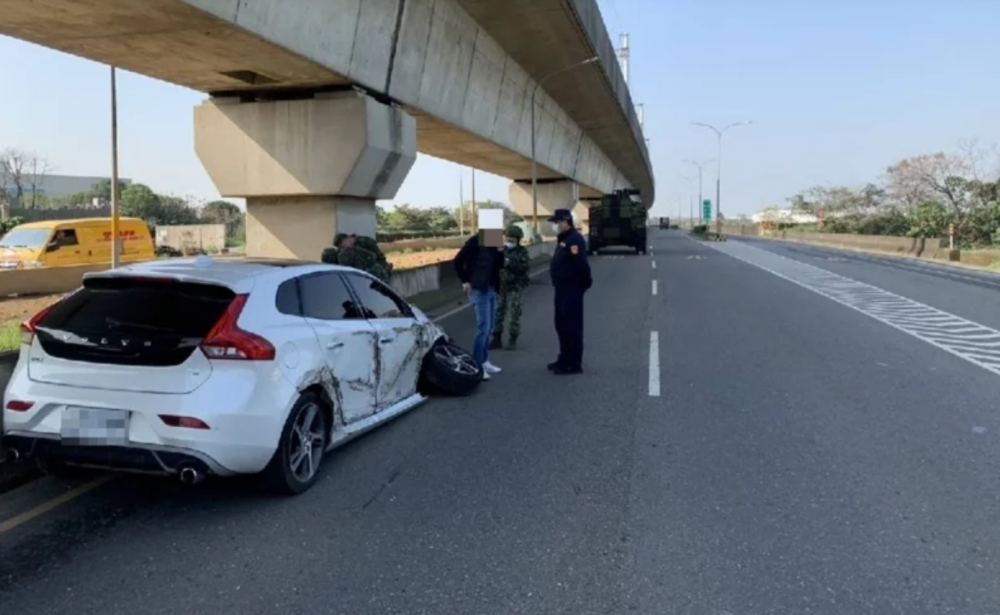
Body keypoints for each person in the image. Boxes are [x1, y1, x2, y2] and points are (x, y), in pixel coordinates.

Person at [453, 231, 504, 380]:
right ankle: (477, 364)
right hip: (478, 289)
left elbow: (500, 266)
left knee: (490, 327)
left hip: (491, 289)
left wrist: (500, 251)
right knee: (483, 328)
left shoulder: (493, 243)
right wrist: (465, 281)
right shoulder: (474, 242)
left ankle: (485, 360)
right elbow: (457, 261)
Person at [547, 208, 592, 375]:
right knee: (561, 325)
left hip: (571, 289)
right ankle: (564, 358)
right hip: (561, 289)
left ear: (565, 221)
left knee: (571, 326)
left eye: (557, 222)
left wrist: (583, 285)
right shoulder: (564, 238)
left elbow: (581, 265)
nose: (555, 225)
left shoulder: (574, 240)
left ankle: (573, 363)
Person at [491, 225, 530, 350]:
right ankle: (496, 338)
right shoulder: (501, 250)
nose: (509, 241)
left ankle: (512, 339)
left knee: (514, 313)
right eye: (507, 239)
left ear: (518, 240)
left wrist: (508, 265)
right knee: (498, 311)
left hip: (516, 286)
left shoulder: (522, 252)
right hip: (501, 286)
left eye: (512, 240)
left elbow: (523, 268)